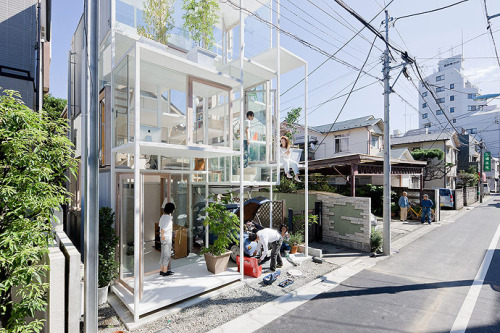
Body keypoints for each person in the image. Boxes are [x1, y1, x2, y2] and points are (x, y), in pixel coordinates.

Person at [159, 202, 175, 276]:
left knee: (163, 254)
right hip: (166, 238)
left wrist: (162, 236)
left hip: (163, 238)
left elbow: (160, 226)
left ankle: (162, 270)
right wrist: (163, 236)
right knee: (167, 255)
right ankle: (165, 271)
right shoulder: (168, 218)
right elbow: (163, 229)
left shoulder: (163, 216)